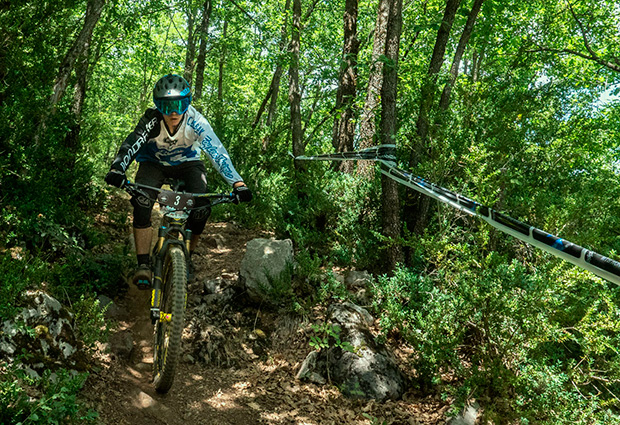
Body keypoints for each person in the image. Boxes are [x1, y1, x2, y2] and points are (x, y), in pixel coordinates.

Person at [105, 74, 252, 288]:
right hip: (153, 163)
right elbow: (133, 142)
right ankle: (143, 264)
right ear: (158, 106)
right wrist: (118, 167)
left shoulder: (196, 121)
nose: (174, 112)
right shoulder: (152, 120)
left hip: (188, 164)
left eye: (180, 104)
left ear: (188, 104)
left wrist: (238, 183)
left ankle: (187, 257)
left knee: (201, 206)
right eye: (167, 106)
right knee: (142, 202)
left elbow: (217, 152)